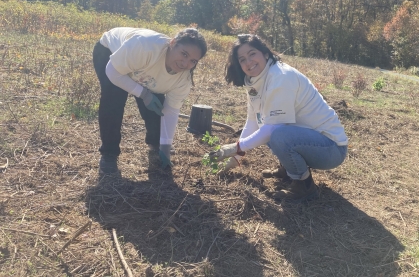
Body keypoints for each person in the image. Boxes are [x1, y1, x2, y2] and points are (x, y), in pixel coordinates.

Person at [210, 34, 348, 202]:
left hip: (331, 149)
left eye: (252, 54)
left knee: (277, 134)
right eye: (242, 59)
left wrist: (236, 147)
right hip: (310, 140)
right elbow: (253, 121)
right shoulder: (255, 81)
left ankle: (304, 185)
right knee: (268, 127)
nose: (248, 62)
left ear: (265, 54)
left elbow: (274, 128)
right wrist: (236, 156)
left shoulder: (280, 76)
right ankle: (289, 168)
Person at [93, 27, 207, 174]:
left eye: (192, 60)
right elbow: (112, 72)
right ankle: (109, 153)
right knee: (114, 98)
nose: (185, 63)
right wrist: (144, 95)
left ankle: (156, 144)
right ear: (172, 43)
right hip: (110, 52)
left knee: (157, 105)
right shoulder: (146, 47)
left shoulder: (183, 80)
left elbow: (170, 111)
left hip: (141, 68)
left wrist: (165, 147)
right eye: (184, 54)